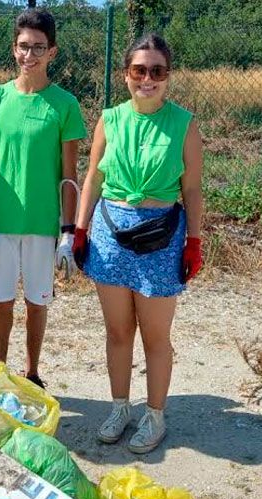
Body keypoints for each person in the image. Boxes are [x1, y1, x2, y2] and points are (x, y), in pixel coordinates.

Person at [73, 33, 205, 454]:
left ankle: (155, 414)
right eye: (139, 70)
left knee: (155, 335)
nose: (148, 79)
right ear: (125, 74)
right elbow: (92, 177)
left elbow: (194, 189)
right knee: (116, 331)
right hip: (110, 233)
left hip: (162, 236)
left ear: (168, 77)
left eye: (157, 71)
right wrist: (79, 229)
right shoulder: (109, 119)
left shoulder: (184, 124)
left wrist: (194, 242)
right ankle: (119, 407)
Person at [0, 8, 86, 389]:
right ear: (13, 49)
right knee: (1, 302)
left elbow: (69, 174)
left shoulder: (64, 104)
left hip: (42, 222)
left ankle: (32, 373)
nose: (29, 55)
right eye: (23, 47)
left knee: (38, 302)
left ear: (52, 52)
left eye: (38, 48)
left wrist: (69, 232)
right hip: (0, 219)